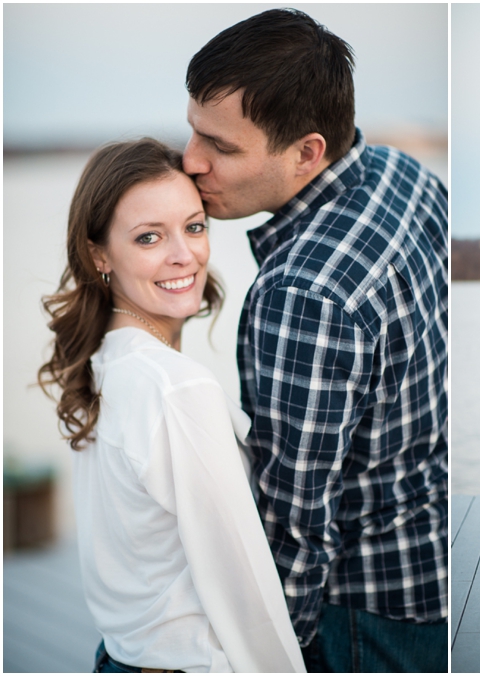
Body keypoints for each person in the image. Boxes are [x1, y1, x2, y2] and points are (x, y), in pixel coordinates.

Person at [182, 9, 448, 672]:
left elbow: (295, 525)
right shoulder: (402, 174)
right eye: (193, 132)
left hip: (366, 615)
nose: (192, 162)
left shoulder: (302, 293)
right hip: (439, 567)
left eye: (222, 147)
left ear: (307, 152)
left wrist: (269, 655)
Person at [38, 139, 306, 673]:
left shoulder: (107, 361)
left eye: (194, 226)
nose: (184, 254)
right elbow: (244, 589)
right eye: (148, 237)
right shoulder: (175, 388)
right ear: (98, 255)